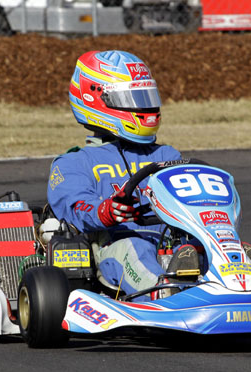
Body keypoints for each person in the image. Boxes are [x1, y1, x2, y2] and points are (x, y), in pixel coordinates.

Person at [46, 50, 197, 299]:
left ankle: (243, 280)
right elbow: (73, 209)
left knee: (198, 246)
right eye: (134, 98)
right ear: (95, 99)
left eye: (146, 97)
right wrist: (106, 211)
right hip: (110, 247)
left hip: (168, 243)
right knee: (135, 248)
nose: (144, 106)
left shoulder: (165, 155)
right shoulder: (73, 163)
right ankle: (167, 295)